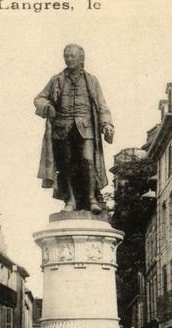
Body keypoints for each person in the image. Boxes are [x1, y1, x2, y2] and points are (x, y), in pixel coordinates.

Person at [34, 44, 114, 214]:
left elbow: (102, 105)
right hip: (62, 129)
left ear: (81, 58)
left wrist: (106, 123)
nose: (69, 59)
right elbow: (39, 99)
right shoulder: (57, 80)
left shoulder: (91, 80)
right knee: (66, 165)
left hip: (86, 128)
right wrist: (47, 106)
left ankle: (91, 198)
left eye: (72, 56)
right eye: (66, 56)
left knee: (88, 160)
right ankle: (70, 200)